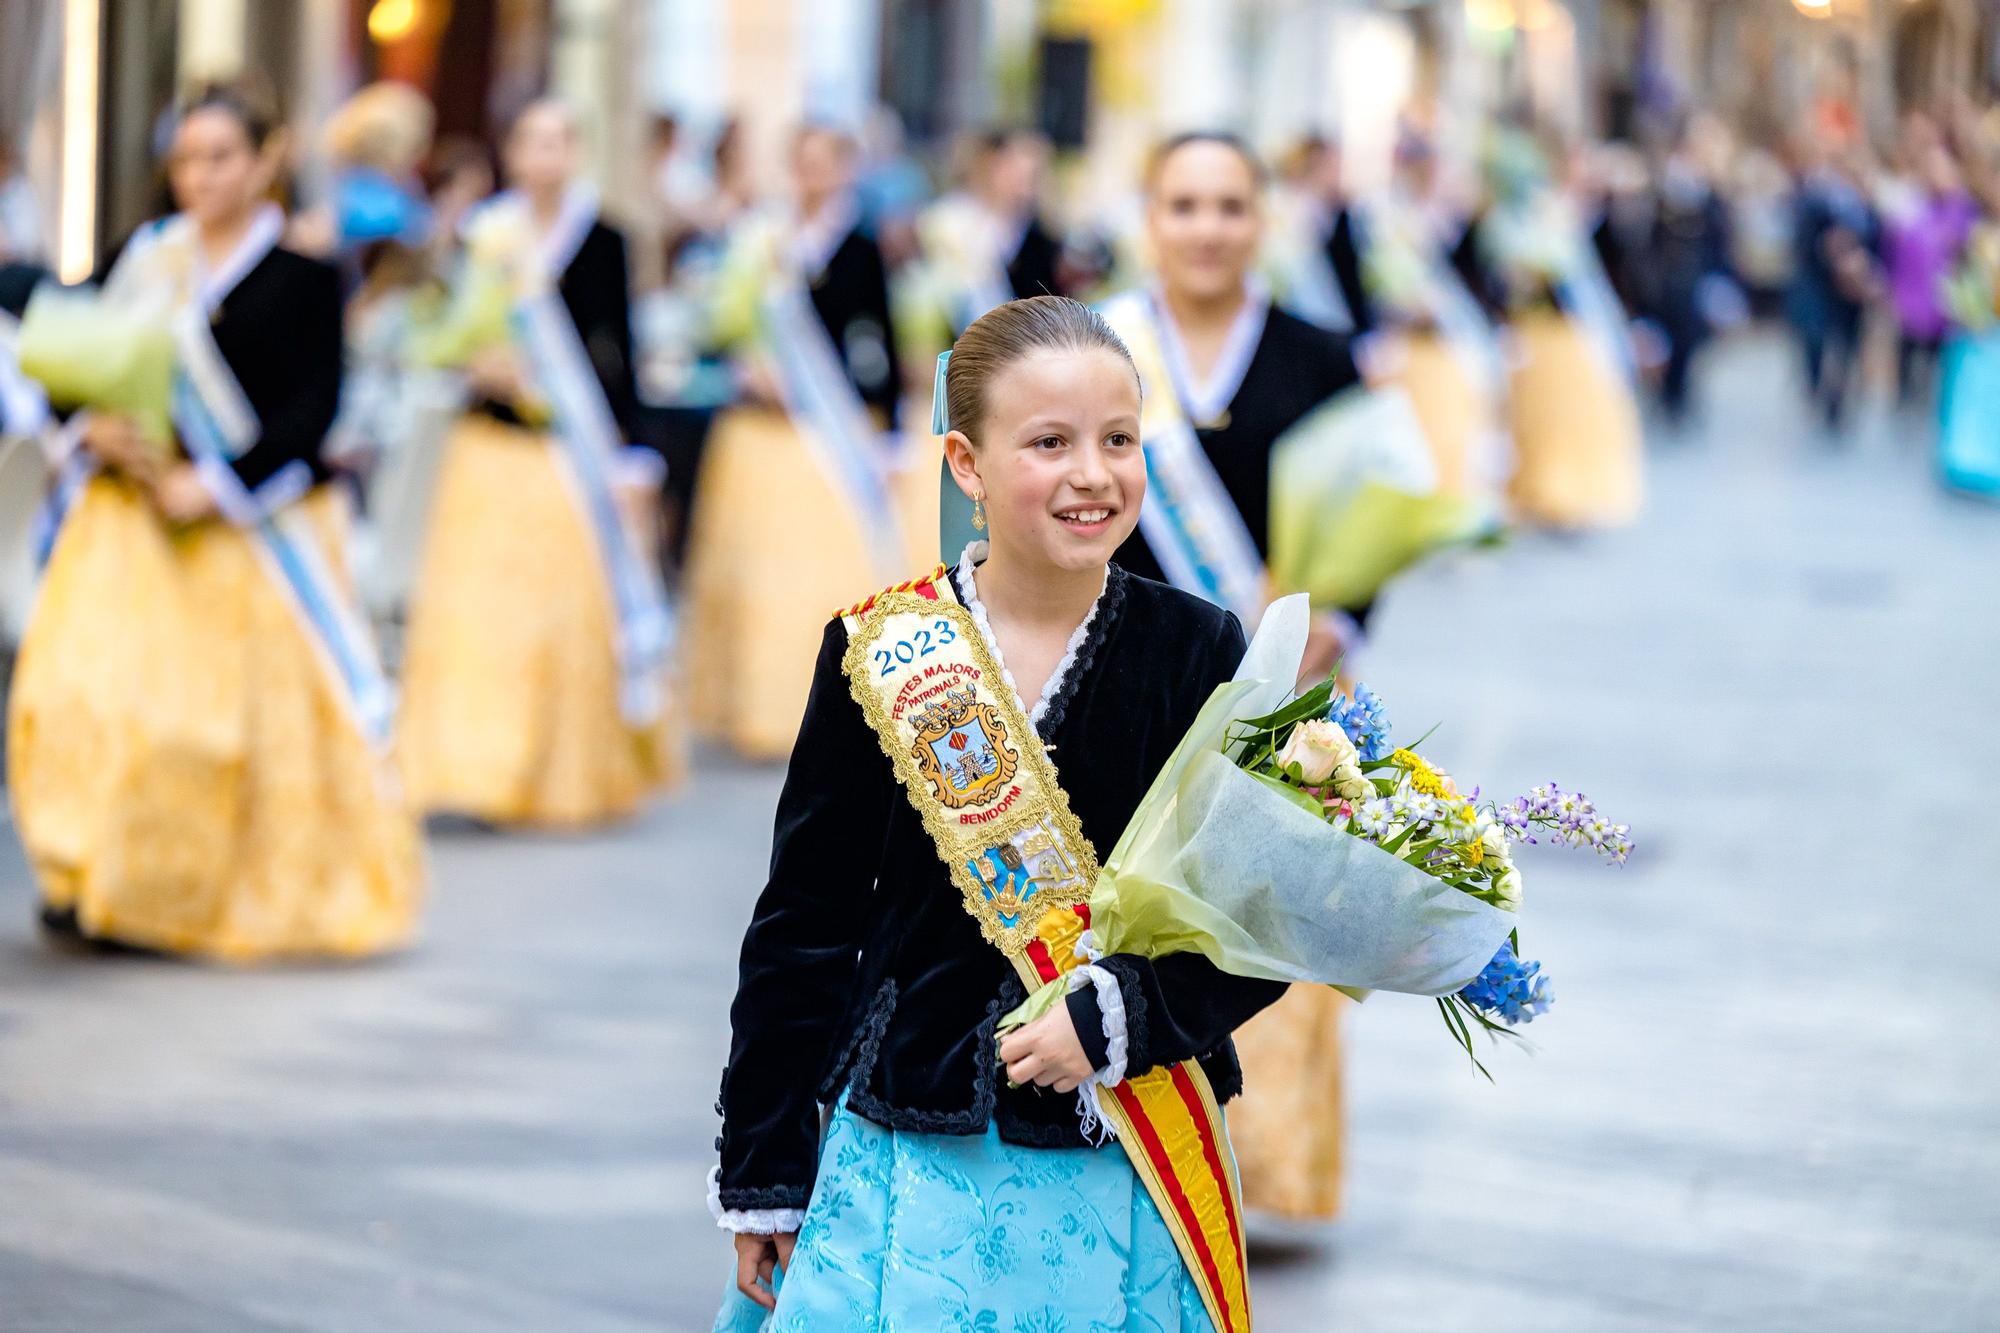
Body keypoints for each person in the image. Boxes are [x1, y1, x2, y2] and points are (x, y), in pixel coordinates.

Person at [712, 295, 1281, 1330]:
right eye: (1048, 443)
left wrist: (1118, 1017)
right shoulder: (878, 651)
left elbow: (1261, 911)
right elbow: (804, 920)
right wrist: (764, 1163)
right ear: (966, 465)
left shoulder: (1196, 651)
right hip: (907, 1147)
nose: (1091, 474)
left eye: (1118, 440)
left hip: (1123, 1153)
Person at [9, 82, 420, 960]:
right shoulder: (145, 255)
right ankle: (95, 880)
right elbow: (59, 364)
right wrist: (91, 429)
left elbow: (314, 414)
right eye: (187, 158)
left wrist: (222, 485)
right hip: (126, 526)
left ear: (265, 158)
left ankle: (190, 890)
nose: (200, 176)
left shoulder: (305, 278)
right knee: (87, 705)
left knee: (207, 732)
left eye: (220, 157)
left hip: (244, 538)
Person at [1094, 131, 1380, 1231]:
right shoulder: (1098, 345)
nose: (1205, 227)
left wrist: (1334, 621)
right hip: (1122, 669)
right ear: (1148, 216)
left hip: (1282, 676)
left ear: (1259, 219)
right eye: (1182, 204)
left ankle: (1255, 1156)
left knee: (1268, 920)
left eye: (1227, 205)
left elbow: (1364, 518)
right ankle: (1126, 1129)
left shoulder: (1317, 354)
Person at [397, 99, 680, 827]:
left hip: (568, 450)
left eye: (556, 142)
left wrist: (633, 455)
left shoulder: (605, 239)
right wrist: (474, 366)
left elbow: (621, 355)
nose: (541, 156)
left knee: (558, 613)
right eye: (528, 141)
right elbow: (440, 328)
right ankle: (478, 765)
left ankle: (549, 767)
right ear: (511, 153)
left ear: (575, 152)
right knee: (479, 613)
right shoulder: (487, 234)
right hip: (490, 445)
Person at [683, 123, 934, 760]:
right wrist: (747, 366)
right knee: (759, 572)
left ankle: (832, 707)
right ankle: (758, 705)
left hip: (834, 428)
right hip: (765, 427)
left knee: (825, 570)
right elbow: (721, 326)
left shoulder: (861, 244)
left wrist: (887, 425)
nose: (815, 175)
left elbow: (877, 337)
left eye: (828, 163)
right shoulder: (762, 240)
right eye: (805, 163)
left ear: (846, 170)